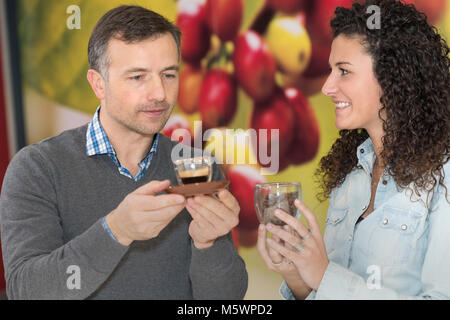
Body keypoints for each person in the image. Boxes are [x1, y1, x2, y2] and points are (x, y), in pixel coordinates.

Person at [0, 5, 248, 300]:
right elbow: (27, 291)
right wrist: (116, 231)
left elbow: (225, 301)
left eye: (168, 74)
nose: (159, 93)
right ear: (98, 84)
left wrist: (209, 244)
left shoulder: (196, 166)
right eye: (137, 77)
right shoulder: (38, 168)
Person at [257, 0, 450, 299]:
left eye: (343, 71)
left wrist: (324, 275)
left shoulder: (444, 175)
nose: (327, 87)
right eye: (330, 70)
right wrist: (298, 277)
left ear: (392, 76)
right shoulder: (351, 177)